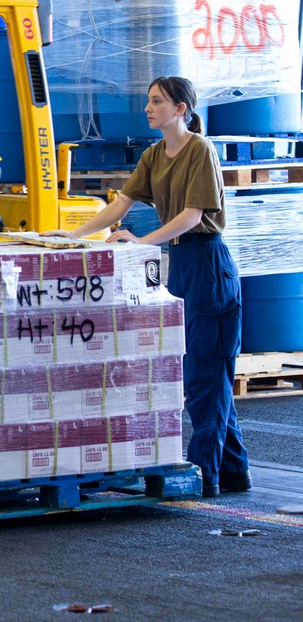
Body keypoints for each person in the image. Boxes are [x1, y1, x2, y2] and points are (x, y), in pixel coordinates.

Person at [44, 76, 249, 499]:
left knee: (205, 373)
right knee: (202, 371)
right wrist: (76, 236)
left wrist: (141, 241)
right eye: (148, 101)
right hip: (182, 264)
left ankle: (205, 473)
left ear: (181, 109)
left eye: (157, 102)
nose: (148, 108)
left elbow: (194, 215)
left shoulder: (199, 150)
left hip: (208, 262)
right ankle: (234, 469)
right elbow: (121, 203)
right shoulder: (155, 155)